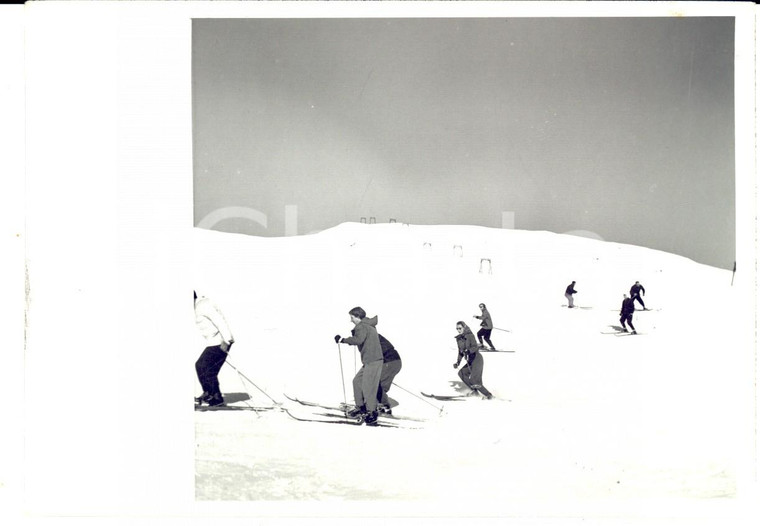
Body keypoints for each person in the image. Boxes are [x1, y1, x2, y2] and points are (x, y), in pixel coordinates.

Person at [335, 307, 384, 426]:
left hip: (373, 360)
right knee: (357, 381)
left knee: (368, 388)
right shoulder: (368, 325)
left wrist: (343, 340)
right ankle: (361, 407)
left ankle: (372, 413)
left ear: (357, 317)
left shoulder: (362, 326)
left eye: (352, 317)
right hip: (370, 360)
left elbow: (358, 340)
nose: (351, 320)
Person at [194, 291, 235, 406]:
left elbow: (220, 321)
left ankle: (216, 398)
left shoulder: (203, 305)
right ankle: (209, 393)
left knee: (205, 368)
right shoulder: (197, 307)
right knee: (203, 367)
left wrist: (227, 340)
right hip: (214, 342)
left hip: (221, 341)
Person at [453, 321, 493, 399]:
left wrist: (468, 351)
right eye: (457, 328)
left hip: (477, 358)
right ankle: (474, 392)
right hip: (470, 360)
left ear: (464, 327)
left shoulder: (470, 336)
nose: (458, 330)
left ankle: (489, 395)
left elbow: (475, 347)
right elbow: (460, 352)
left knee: (475, 380)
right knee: (462, 373)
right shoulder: (458, 339)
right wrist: (458, 362)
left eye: (460, 328)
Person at [376, 334, 402, 415]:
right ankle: (383, 406)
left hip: (389, 362)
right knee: (381, 386)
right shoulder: (374, 335)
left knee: (375, 384)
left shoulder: (371, 336)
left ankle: (384, 405)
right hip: (395, 361)